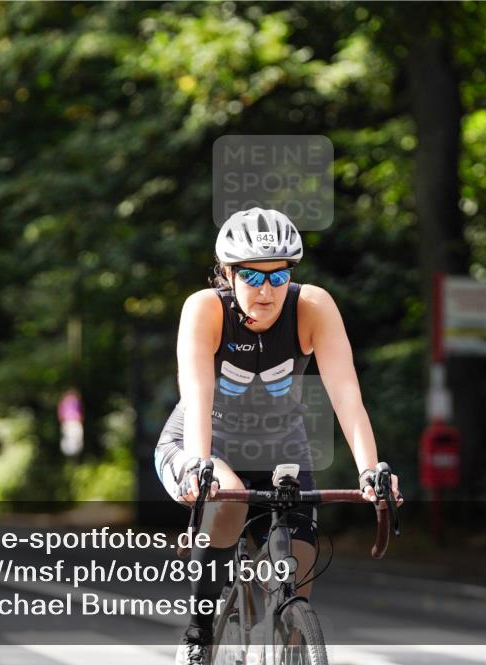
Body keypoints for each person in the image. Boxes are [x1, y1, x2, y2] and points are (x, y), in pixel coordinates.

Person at [153, 207, 403, 665]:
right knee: (229, 499)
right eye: (250, 275)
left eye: (278, 275)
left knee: (298, 566)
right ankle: (199, 633)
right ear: (227, 273)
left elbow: (347, 396)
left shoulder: (313, 308)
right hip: (201, 442)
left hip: (281, 449)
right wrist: (198, 465)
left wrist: (372, 469)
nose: (265, 289)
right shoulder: (204, 309)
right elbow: (195, 394)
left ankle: (287, 640)